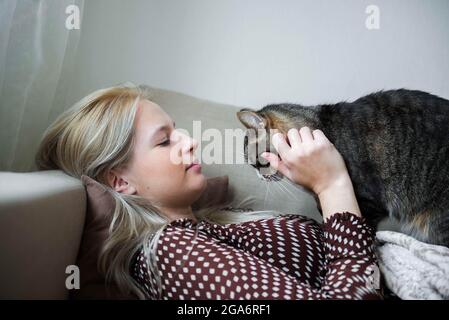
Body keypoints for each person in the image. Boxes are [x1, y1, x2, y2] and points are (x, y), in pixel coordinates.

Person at [35, 84, 381, 300]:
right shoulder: (173, 252)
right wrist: (332, 185)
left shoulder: (209, 225)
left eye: (178, 131)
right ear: (119, 182)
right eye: (164, 140)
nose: (190, 141)